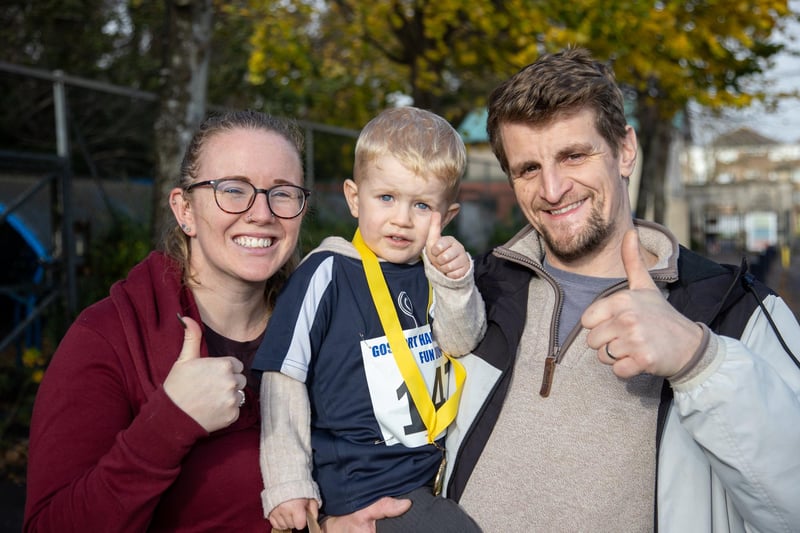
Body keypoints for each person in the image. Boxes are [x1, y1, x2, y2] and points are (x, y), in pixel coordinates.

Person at [341, 47, 800, 532]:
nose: (553, 189)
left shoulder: (735, 309)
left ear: (625, 150)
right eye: (529, 169)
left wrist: (697, 361)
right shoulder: (477, 290)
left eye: (574, 156)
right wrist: (342, 511)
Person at [24, 109, 311, 532]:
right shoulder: (108, 338)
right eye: (233, 190)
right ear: (185, 210)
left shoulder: (322, 328)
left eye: (283, 192)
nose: (262, 213)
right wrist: (170, 420)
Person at [253, 106, 485, 533]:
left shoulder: (431, 273)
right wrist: (286, 482)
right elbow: (283, 379)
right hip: (362, 482)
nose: (401, 218)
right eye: (386, 198)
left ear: (447, 216)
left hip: (425, 471)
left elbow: (461, 342)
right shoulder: (327, 272)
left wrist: (453, 284)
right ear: (354, 197)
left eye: (421, 205)